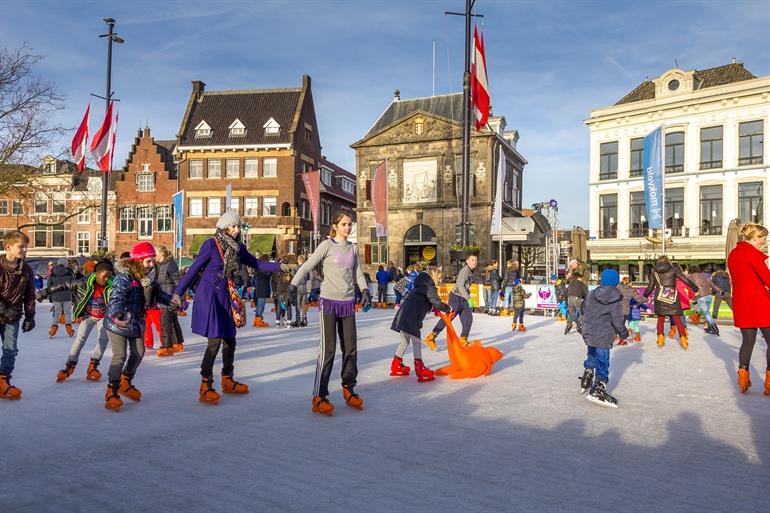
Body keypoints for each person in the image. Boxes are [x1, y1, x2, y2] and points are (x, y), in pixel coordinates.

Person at [172, 210, 288, 405]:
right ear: (223, 227)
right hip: (209, 296)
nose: (235, 230)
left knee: (230, 340)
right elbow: (194, 269)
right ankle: (205, 384)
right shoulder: (211, 244)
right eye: (232, 226)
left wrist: (281, 267)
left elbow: (257, 263)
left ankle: (228, 379)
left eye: (237, 226)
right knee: (214, 341)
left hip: (226, 296)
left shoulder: (238, 248)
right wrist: (178, 292)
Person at [289, 212, 371, 417]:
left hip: (347, 303)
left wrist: (366, 290)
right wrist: (293, 284)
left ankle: (349, 387)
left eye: (349, 224)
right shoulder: (326, 246)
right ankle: (319, 395)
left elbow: (358, 272)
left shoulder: (353, 248)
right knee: (329, 350)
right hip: (328, 304)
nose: (347, 228)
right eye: (344, 224)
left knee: (351, 348)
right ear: (335, 226)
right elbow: (307, 265)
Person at [103, 243, 178, 411]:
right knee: (119, 355)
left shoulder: (148, 277)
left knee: (139, 352)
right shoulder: (124, 277)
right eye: (148, 262)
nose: (152, 265)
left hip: (136, 320)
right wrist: (116, 314)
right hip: (118, 322)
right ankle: (111, 391)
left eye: (153, 261)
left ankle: (125, 382)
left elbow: (157, 294)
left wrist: (171, 301)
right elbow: (117, 297)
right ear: (138, 261)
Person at [36, 260, 114, 382]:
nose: (108, 279)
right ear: (97, 274)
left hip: (104, 316)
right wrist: (45, 292)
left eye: (110, 276)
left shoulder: (113, 285)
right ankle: (69, 367)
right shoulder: (82, 282)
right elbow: (62, 285)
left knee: (103, 341)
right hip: (87, 316)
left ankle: (93, 367)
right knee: (80, 340)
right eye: (105, 276)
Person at [726, 223, 770, 394]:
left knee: (748, 341)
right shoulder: (752, 254)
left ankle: (743, 378)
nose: (765, 241)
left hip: (742, 301)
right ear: (753, 238)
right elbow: (767, 278)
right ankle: (768, 382)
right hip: (759, 301)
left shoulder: (734, 253)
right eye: (763, 238)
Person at [578, 269, 629, 408]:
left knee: (592, 352)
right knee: (602, 360)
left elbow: (582, 309)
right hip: (603, 333)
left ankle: (587, 375)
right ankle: (598, 388)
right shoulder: (616, 297)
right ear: (615, 281)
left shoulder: (592, 293)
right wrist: (624, 333)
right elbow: (617, 319)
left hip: (588, 330)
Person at [390, 267, 451, 382]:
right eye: (439, 277)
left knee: (405, 341)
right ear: (434, 275)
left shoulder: (420, 285)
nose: (440, 279)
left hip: (403, 315)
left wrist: (434, 309)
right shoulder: (429, 286)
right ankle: (420, 369)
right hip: (411, 317)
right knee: (416, 342)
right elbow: (436, 302)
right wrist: (448, 308)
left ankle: (396, 364)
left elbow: (423, 300)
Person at [0, 231, 36, 400]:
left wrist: (30, 316)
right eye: (21, 246)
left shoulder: (26, 270)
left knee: (10, 350)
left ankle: (3, 381)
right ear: (8, 247)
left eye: (25, 246)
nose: (24, 249)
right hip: (5, 311)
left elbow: (29, 296)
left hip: (12, 317)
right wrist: (4, 309)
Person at [643, 255, 698, 350]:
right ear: (668, 262)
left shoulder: (654, 272)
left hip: (660, 298)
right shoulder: (673, 270)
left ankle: (660, 338)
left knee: (660, 320)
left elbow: (650, 287)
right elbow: (685, 280)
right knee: (677, 319)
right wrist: (694, 287)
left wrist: (644, 296)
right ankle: (683, 339)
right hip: (672, 298)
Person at [425, 252, 478, 349]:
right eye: (472, 260)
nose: (474, 262)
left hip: (464, 299)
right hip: (456, 297)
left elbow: (465, 287)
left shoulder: (471, 271)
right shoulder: (464, 271)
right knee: (449, 318)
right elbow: (461, 286)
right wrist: (469, 298)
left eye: (475, 260)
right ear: (467, 261)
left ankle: (463, 339)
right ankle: (431, 336)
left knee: (468, 319)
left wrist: (468, 296)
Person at [157, 246, 185, 356]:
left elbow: (177, 281)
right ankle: (177, 343)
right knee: (172, 320)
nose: (155, 255)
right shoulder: (161, 265)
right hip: (164, 296)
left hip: (169, 297)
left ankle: (167, 347)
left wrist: (179, 297)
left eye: (156, 253)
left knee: (165, 322)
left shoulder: (170, 264)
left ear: (162, 255)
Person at [688, 264, 724, 336]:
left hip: (701, 297)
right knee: (707, 313)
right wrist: (720, 290)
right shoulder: (704, 276)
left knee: (706, 313)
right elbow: (712, 284)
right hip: (709, 296)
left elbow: (688, 286)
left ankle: (715, 329)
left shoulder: (690, 277)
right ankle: (710, 327)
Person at [47, 258, 76, 338]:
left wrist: (50, 296)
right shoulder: (70, 273)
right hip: (67, 296)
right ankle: (69, 330)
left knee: (56, 312)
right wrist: (74, 295)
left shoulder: (53, 273)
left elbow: (49, 285)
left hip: (56, 296)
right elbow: (74, 285)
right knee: (67, 312)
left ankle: (53, 330)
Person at [618, 276, 646, 343]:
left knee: (618, 324)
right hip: (625, 310)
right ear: (630, 282)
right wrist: (646, 299)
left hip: (617, 309)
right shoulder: (631, 290)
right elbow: (639, 299)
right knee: (622, 324)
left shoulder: (618, 288)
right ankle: (622, 340)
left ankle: (618, 338)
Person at [251, 255, 271, 328]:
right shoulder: (263, 267)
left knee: (259, 304)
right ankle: (258, 320)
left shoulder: (258, 266)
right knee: (261, 304)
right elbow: (268, 273)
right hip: (262, 286)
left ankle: (256, 320)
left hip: (259, 286)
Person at [292, 254, 310, 327]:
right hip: (304, 287)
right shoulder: (306, 268)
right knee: (303, 304)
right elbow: (308, 277)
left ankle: (298, 319)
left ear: (298, 260)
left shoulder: (296, 268)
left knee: (298, 304)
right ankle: (304, 319)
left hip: (298, 287)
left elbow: (294, 277)